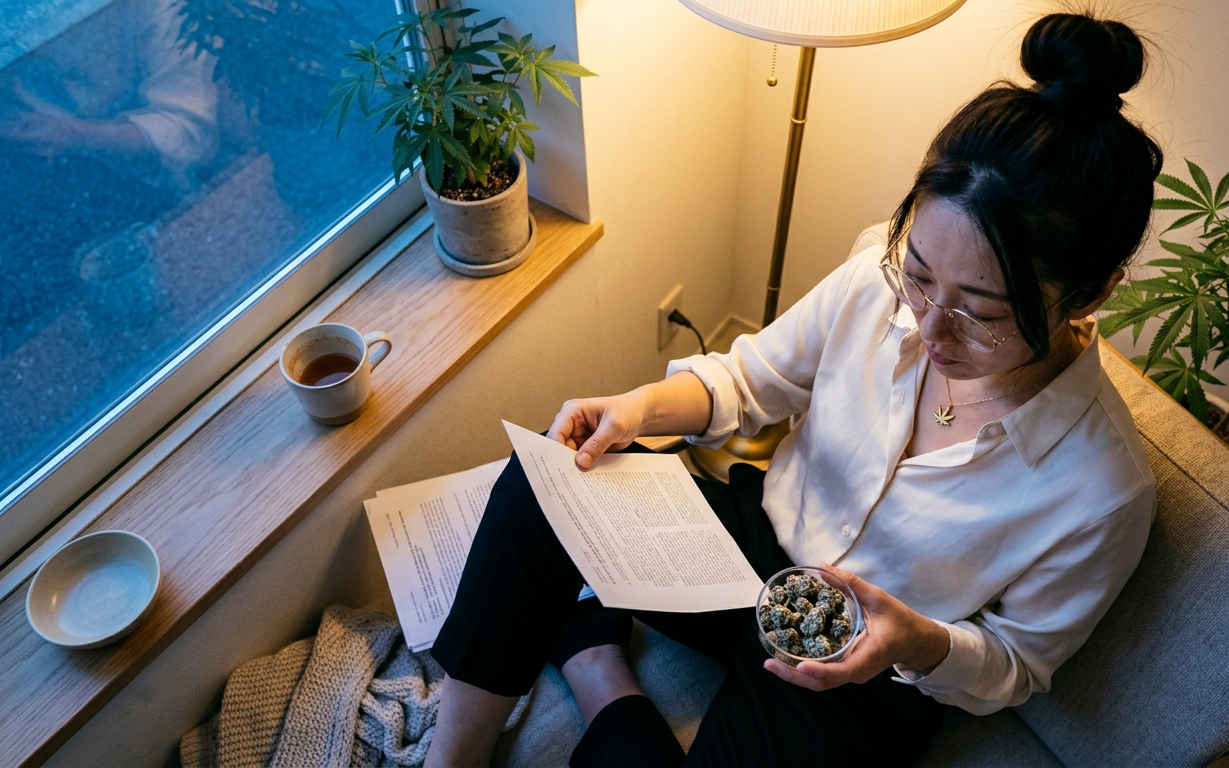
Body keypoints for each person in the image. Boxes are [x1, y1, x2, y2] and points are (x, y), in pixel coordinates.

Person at [424, 12, 1164, 767]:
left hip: (869, 676)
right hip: (750, 553)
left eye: (980, 314)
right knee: (544, 481)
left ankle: (597, 668)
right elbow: (749, 382)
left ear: (1093, 291)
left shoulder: (1103, 490)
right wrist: (636, 410)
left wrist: (919, 640)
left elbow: (1017, 665)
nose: (930, 330)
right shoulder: (874, 278)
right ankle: (453, 758)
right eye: (918, 275)